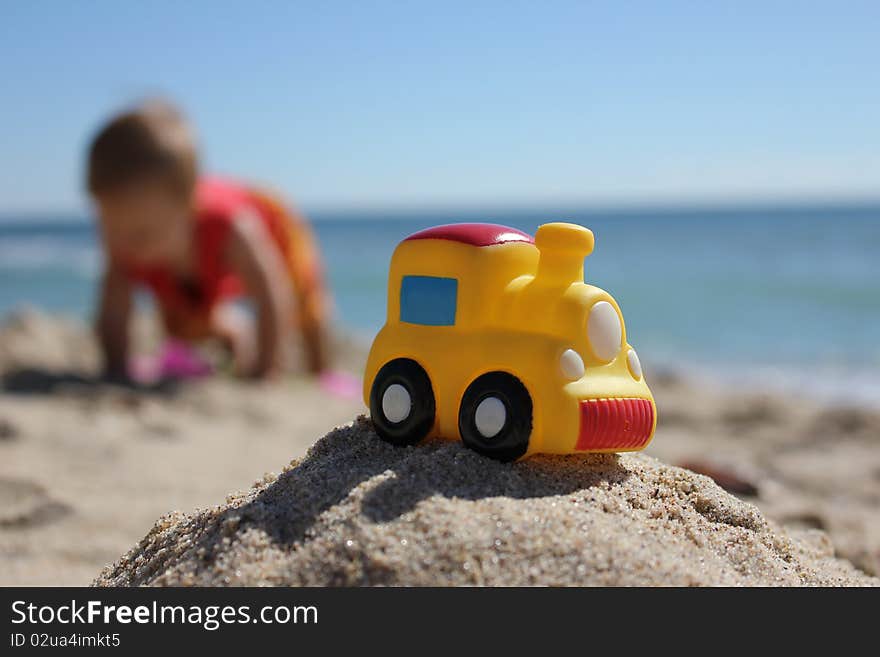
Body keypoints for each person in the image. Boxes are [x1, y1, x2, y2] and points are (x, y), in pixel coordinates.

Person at [86, 100, 329, 381]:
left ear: (188, 208)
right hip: (191, 266)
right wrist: (116, 368)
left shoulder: (227, 224)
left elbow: (270, 293)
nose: (125, 244)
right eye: (109, 227)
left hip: (275, 231)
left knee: (307, 305)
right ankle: (236, 331)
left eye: (141, 233)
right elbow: (113, 312)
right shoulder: (128, 240)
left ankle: (321, 372)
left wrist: (263, 369)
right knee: (181, 323)